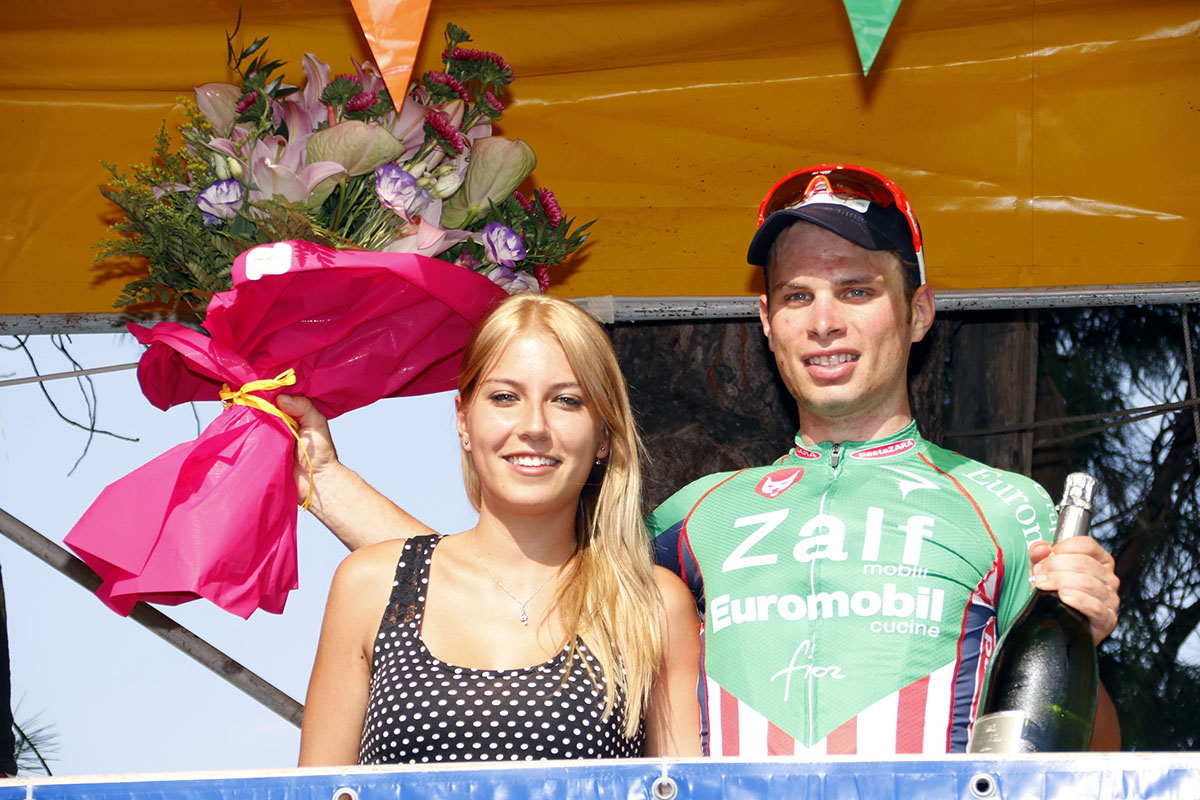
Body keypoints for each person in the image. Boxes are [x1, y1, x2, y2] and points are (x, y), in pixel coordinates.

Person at [647, 163, 1122, 755]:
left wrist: (1084, 636)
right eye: (798, 296)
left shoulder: (1010, 507)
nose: (824, 323)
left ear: (918, 312)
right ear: (767, 322)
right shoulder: (687, 517)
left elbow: (1085, 756)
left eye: (856, 291)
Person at [290, 294, 702, 765]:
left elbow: (680, 790)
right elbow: (319, 790)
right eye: (505, 397)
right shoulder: (370, 586)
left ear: (604, 435)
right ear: (463, 420)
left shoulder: (652, 604)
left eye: (567, 401)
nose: (534, 426)